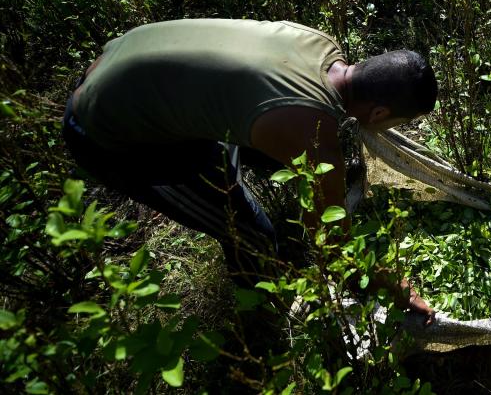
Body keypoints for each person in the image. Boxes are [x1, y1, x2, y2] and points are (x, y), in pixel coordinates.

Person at [62, 18, 437, 324]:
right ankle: (262, 316)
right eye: (398, 124)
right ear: (378, 114)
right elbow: (334, 252)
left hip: (121, 55)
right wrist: (400, 290)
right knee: (248, 232)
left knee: (272, 147)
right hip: (107, 129)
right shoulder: (309, 132)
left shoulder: (321, 46)